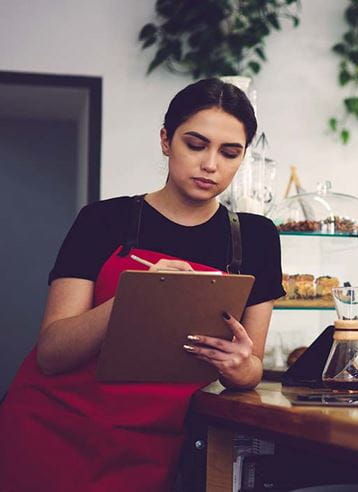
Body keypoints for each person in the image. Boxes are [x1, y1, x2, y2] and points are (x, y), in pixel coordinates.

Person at [0, 78, 285, 491]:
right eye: (195, 144)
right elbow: (52, 354)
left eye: (229, 152)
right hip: (50, 431)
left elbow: (250, 366)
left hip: (148, 446)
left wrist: (241, 367)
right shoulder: (102, 220)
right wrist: (135, 299)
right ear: (166, 141)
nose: (211, 165)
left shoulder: (257, 238)